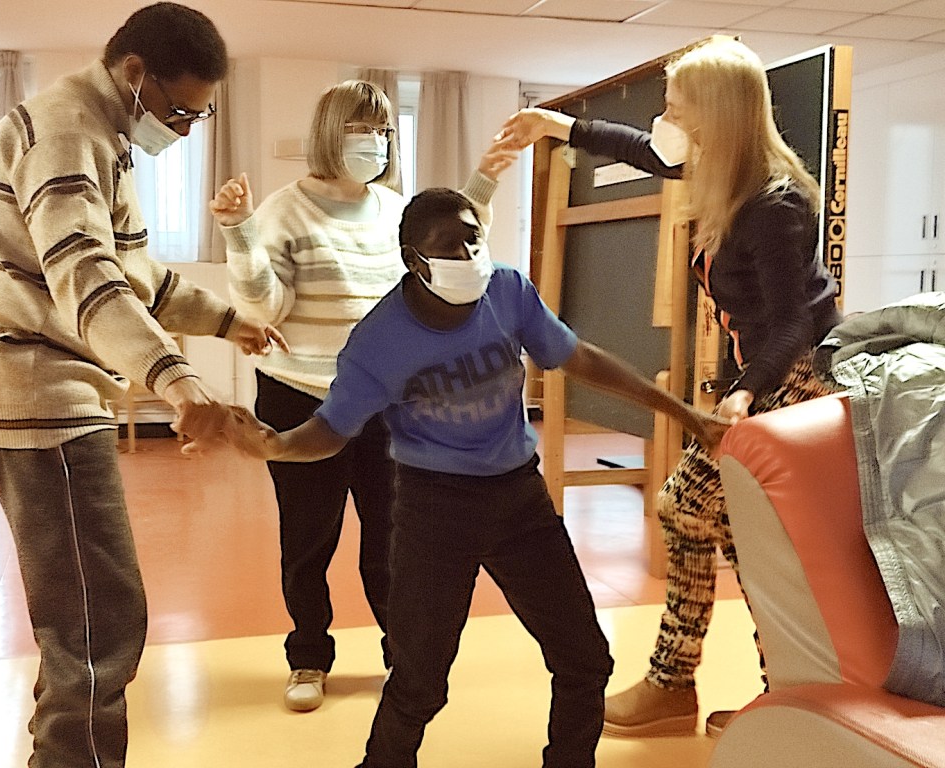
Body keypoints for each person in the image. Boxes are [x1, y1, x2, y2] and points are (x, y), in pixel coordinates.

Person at [211, 186, 728, 768]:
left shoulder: (507, 291)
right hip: (435, 512)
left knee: (585, 659)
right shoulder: (378, 341)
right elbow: (332, 430)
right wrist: (274, 446)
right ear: (413, 260)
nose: (466, 255)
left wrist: (687, 415)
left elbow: (577, 356)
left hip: (520, 501)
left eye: (472, 237)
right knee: (419, 685)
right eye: (447, 247)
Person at [0, 4, 286, 766]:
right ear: (135, 73)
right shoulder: (67, 132)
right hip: (39, 390)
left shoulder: (100, 136)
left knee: (84, 616)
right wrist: (179, 382)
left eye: (201, 117)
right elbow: (87, 276)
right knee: (96, 622)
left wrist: (225, 319)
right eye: (181, 111)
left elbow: (135, 272)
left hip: (40, 386)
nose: (187, 131)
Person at [496, 35, 842, 738]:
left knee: (688, 507)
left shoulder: (774, 205)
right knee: (733, 530)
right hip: (763, 377)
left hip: (795, 380)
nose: (666, 120)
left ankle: (695, 683)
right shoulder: (717, 169)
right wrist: (553, 125)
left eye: (678, 108)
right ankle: (747, 690)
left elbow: (795, 325)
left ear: (718, 116)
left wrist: (745, 393)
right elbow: (644, 151)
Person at [209, 80, 515, 712]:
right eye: (361, 129)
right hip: (304, 398)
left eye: (383, 131)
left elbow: (446, 255)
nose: (375, 142)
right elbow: (263, 307)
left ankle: (402, 654)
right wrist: (239, 233)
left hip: (388, 403)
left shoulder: (394, 209)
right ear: (330, 132)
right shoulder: (284, 211)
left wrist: (483, 182)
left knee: (395, 540)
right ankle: (308, 656)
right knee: (309, 538)